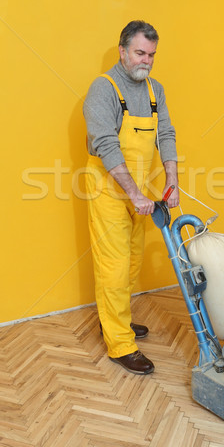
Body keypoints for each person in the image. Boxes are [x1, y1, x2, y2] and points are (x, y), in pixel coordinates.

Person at [83, 20, 179, 374]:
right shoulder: (102, 88)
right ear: (122, 51)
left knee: (133, 262)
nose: (147, 61)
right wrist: (135, 192)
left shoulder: (156, 90)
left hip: (139, 195)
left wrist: (172, 180)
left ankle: (115, 320)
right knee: (114, 268)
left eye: (152, 55)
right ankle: (120, 344)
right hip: (109, 192)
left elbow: (165, 133)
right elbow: (105, 142)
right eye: (140, 53)